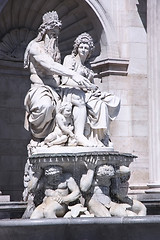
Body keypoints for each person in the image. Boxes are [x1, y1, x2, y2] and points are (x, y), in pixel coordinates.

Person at [24, 11, 96, 148]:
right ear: (44, 32)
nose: (54, 38)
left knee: (79, 96)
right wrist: (73, 75)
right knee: (45, 106)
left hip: (58, 90)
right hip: (40, 89)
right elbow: (50, 66)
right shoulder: (34, 47)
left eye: (56, 35)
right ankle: (40, 138)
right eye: (52, 34)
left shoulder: (55, 50)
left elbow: (61, 76)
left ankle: (79, 135)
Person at [62, 33, 121, 146]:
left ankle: (100, 138)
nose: (83, 50)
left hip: (86, 94)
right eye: (81, 47)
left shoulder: (87, 66)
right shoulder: (69, 59)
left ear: (89, 51)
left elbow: (91, 85)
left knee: (107, 102)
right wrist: (84, 86)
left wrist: (95, 90)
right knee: (82, 99)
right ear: (77, 48)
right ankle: (79, 135)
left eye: (86, 47)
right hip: (70, 91)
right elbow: (65, 80)